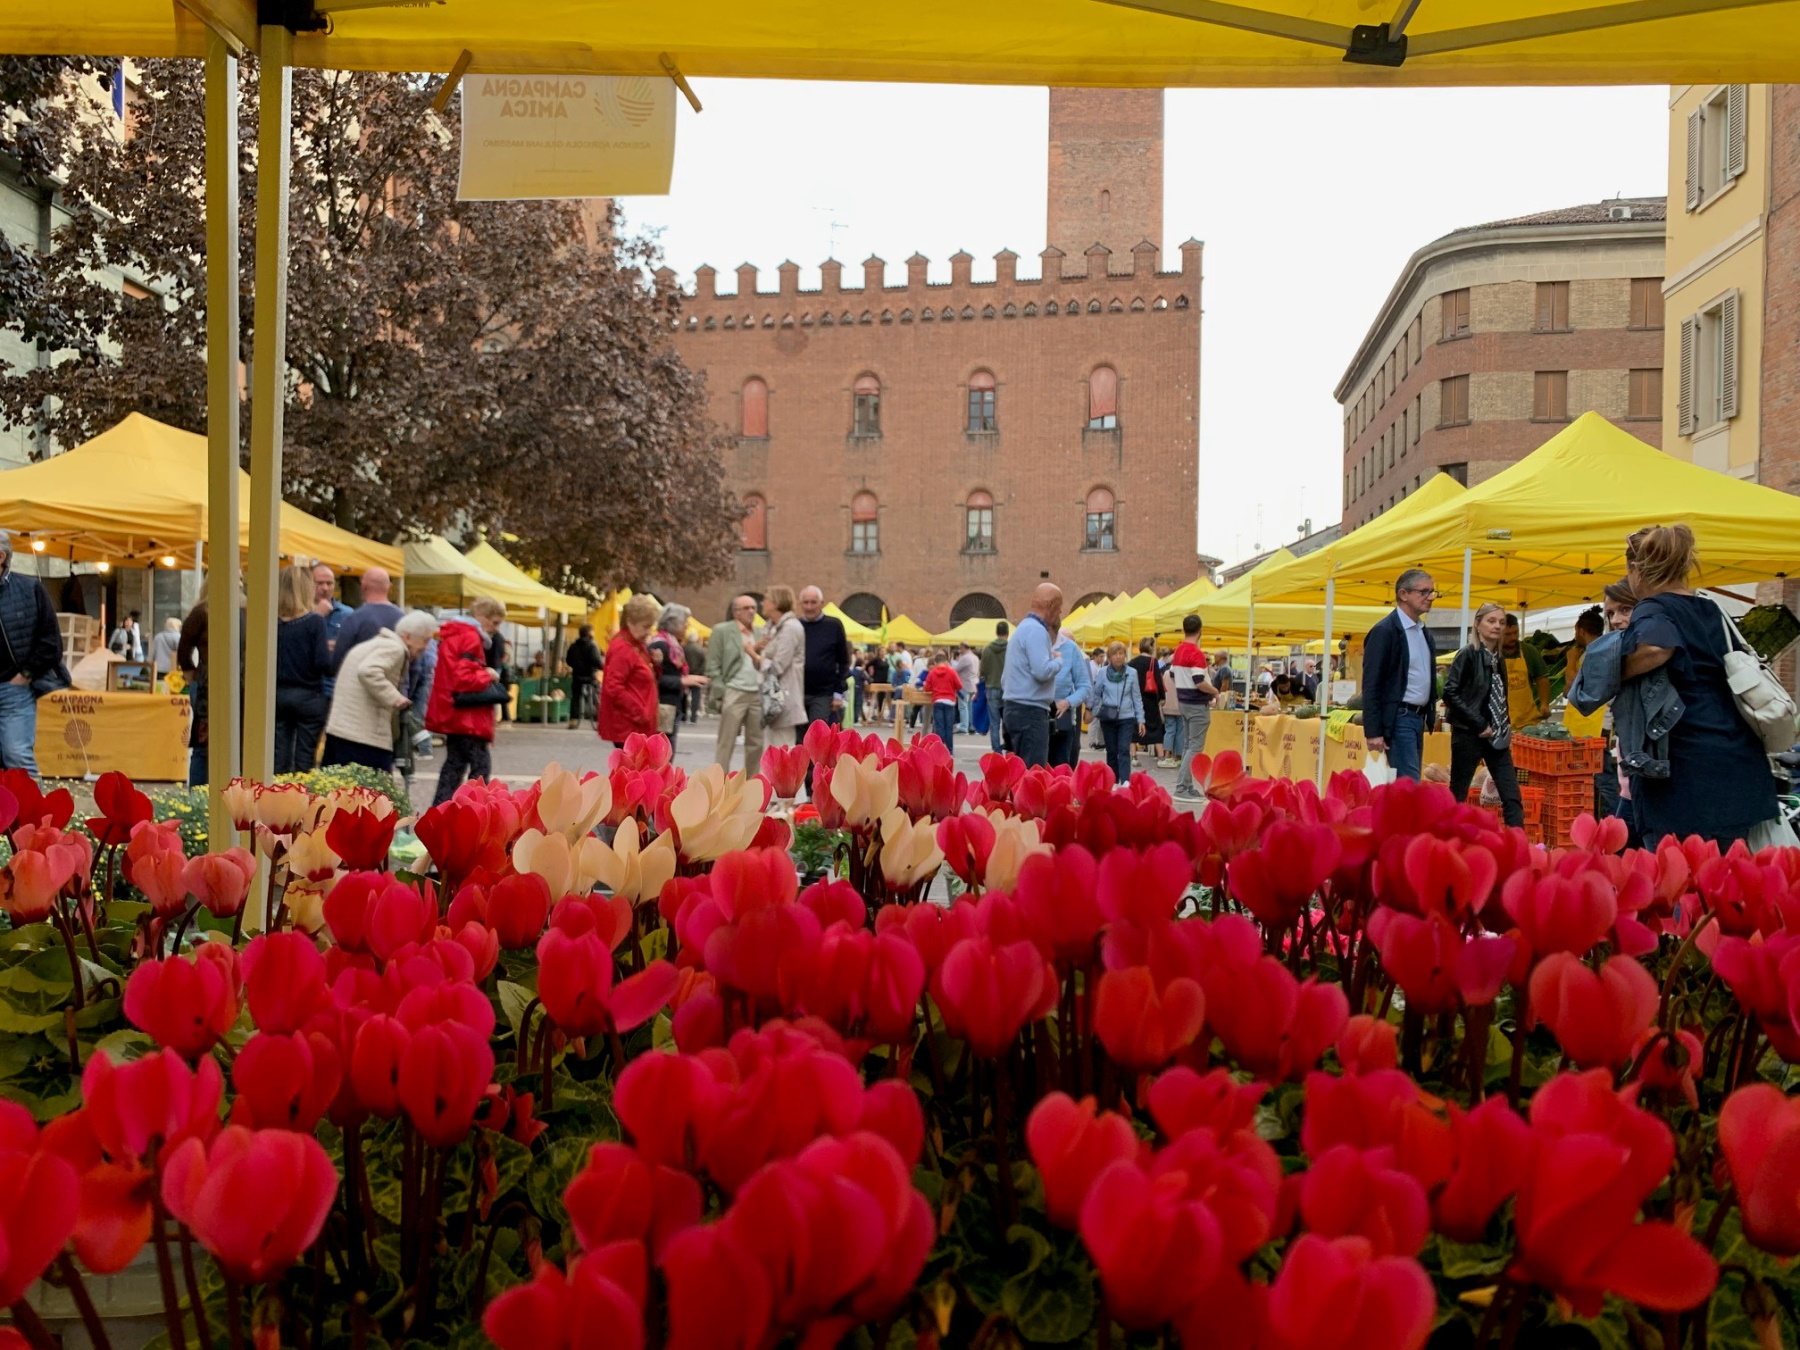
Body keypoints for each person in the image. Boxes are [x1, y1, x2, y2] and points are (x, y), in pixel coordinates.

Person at [1617, 524, 1779, 847]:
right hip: (1737, 764)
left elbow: (1656, 647)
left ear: (1636, 569)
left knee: (1680, 888)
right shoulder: (1710, 608)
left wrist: (1614, 671)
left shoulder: (1653, 607)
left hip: (1685, 777)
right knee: (1728, 889)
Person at [323, 610, 438, 773]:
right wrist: (395, 698)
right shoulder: (395, 648)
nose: (426, 647)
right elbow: (368, 671)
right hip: (364, 737)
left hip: (341, 730)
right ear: (407, 637)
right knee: (376, 793)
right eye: (425, 640)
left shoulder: (373, 645)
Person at [1443, 603, 1525, 827]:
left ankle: (1518, 845)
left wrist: (1503, 724)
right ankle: (1446, 840)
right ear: (1477, 624)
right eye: (1491, 621)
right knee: (1458, 792)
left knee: (1511, 794)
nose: (1497, 626)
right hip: (1469, 735)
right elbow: (1449, 693)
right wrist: (1478, 723)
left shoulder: (1498, 658)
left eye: (1501, 622)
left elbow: (1499, 695)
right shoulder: (1467, 654)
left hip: (1496, 736)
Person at [426, 596, 508, 804]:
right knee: (480, 770)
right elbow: (463, 678)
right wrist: (487, 674)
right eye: (494, 622)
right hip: (469, 718)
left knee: (453, 766)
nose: (495, 629)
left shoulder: (454, 634)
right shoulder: (470, 637)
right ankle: (474, 812)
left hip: (454, 713)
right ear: (481, 616)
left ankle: (440, 811)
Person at [1362, 568, 1439, 782]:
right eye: (1423, 592)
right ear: (1403, 594)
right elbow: (1371, 683)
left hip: (1418, 717)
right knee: (1409, 784)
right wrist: (1374, 730)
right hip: (1399, 716)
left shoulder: (1423, 632)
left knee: (1407, 783)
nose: (1430, 598)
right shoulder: (1385, 631)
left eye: (1432, 592)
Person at [0, 531, 65, 780]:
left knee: (16, 756)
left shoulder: (29, 589)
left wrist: (25, 674)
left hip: (13, 689)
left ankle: (33, 820)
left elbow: (50, 642)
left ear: (1, 556)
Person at [274, 565, 332, 775]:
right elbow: (323, 663)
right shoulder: (314, 621)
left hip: (277, 695)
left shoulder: (270, 622)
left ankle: (275, 800)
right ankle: (301, 801)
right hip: (309, 695)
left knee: (278, 755)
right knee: (305, 758)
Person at [1000, 583, 1064, 768]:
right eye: (1059, 607)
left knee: (1016, 773)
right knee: (1032, 774)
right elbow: (1042, 671)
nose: (1060, 612)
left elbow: (1005, 679)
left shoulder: (1022, 628)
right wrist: (1058, 661)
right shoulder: (1037, 630)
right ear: (1051, 606)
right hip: (1030, 713)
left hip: (1013, 709)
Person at [708, 595, 765, 777]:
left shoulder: (760, 632)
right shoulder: (722, 631)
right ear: (736, 612)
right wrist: (723, 691)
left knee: (756, 743)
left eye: (754, 608)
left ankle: (752, 785)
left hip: (756, 692)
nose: (751, 611)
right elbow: (713, 664)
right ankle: (720, 784)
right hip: (734, 690)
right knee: (727, 741)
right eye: (746, 608)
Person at [598, 595, 663, 750]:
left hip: (636, 725)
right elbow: (613, 687)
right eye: (645, 626)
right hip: (630, 727)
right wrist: (639, 713)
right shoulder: (623, 648)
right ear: (630, 622)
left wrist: (656, 662)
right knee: (633, 771)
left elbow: (645, 675)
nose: (649, 632)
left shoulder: (635, 645)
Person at [1169, 615, 1219, 800]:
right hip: (1197, 704)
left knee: (1188, 745)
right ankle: (1182, 788)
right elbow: (1199, 681)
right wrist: (1214, 691)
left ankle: (1187, 786)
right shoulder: (1196, 653)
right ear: (1200, 630)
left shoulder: (1178, 650)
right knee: (1195, 747)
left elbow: (1172, 674)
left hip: (1184, 702)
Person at [648, 604, 707, 751]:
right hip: (663, 705)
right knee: (663, 750)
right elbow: (652, 678)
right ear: (674, 623)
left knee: (667, 747)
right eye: (685, 621)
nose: (687, 624)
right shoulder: (661, 644)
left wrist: (685, 677)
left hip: (671, 705)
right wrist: (681, 680)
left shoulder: (673, 644)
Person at [328, 567, 404, 673]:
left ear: (363, 586)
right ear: (390, 588)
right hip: (393, 685)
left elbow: (337, 664)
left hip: (359, 685)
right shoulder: (403, 619)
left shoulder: (353, 619)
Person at [1093, 641, 1147, 785]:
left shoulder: (1131, 673)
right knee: (1111, 751)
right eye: (1115, 654)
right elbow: (1096, 693)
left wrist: (1140, 719)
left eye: (1121, 653)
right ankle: (1113, 780)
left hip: (1126, 717)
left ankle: (1125, 781)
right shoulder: (1102, 673)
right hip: (1108, 716)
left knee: (1124, 749)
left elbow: (1136, 697)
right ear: (1109, 657)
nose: (1118, 657)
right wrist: (1095, 710)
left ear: (1125, 655)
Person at [798, 586, 851, 730]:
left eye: (813, 602)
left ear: (822, 603)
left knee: (819, 734)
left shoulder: (833, 625)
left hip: (823, 694)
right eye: (806, 602)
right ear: (800, 604)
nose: (809, 607)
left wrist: (838, 693)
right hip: (797, 692)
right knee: (798, 741)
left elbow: (843, 661)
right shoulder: (796, 626)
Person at [761, 585, 808, 744]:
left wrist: (755, 655)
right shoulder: (773, 628)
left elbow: (778, 665)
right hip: (773, 697)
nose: (763, 603)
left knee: (782, 748)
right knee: (771, 749)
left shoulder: (790, 628)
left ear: (775, 603)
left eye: (766, 599)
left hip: (783, 698)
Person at [1048, 624, 1090, 769]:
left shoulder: (1071, 648)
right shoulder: (1030, 644)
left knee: (1060, 769)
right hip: (1034, 719)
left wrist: (1067, 702)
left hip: (1062, 719)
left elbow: (1085, 686)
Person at [1502, 613, 1549, 731]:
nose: (1513, 637)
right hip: (1501, 722)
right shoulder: (1491, 654)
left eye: (1515, 632)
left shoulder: (1529, 651)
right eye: (1508, 634)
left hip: (1528, 721)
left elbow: (1542, 678)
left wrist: (1544, 704)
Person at [312, 564, 352, 693]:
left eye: (329, 583)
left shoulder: (347, 614)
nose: (325, 588)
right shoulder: (301, 613)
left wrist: (341, 648)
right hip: (309, 686)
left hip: (336, 688)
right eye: (319, 583)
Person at [1129, 637, 1165, 765]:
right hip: (1150, 698)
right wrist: (1162, 697)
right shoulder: (1152, 661)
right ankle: (1161, 758)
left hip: (1135, 697)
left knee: (1134, 726)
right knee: (1155, 726)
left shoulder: (1132, 662)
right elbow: (1158, 680)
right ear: (1151, 647)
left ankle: (1133, 757)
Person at [979, 622, 1010, 753]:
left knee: (994, 723)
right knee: (1008, 722)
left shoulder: (987, 649)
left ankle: (996, 751)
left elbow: (983, 670)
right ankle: (1009, 748)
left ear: (996, 632)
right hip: (1008, 688)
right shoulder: (1012, 648)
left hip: (991, 687)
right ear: (1008, 633)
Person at [565, 623, 603, 730]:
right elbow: (596, 661)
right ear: (590, 633)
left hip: (577, 675)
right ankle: (599, 719)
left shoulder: (573, 646)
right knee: (596, 697)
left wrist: (576, 666)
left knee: (575, 698)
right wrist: (600, 667)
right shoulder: (592, 645)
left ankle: (572, 720)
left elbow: (568, 660)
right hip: (590, 676)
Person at [923, 649, 962, 746]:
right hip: (950, 701)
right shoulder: (952, 672)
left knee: (939, 726)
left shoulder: (932, 673)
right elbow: (959, 686)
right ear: (945, 662)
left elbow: (927, 688)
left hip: (938, 700)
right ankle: (949, 750)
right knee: (949, 726)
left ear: (935, 662)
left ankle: (939, 748)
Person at [953, 642, 980, 734]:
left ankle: (964, 727)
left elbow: (956, 669)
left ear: (964, 648)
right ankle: (971, 726)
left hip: (965, 684)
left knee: (963, 706)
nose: (959, 651)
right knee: (970, 706)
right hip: (974, 684)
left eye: (960, 648)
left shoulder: (965, 658)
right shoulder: (975, 657)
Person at [683, 628, 707, 723]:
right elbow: (703, 663)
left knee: (684, 696)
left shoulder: (684, 648)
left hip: (685, 674)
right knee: (695, 697)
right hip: (697, 675)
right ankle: (693, 716)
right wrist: (700, 673)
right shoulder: (699, 649)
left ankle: (683, 715)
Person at [151, 617, 182, 686]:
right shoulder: (179, 637)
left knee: (159, 688)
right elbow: (181, 653)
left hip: (159, 668)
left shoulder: (158, 636)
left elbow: (153, 654)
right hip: (173, 669)